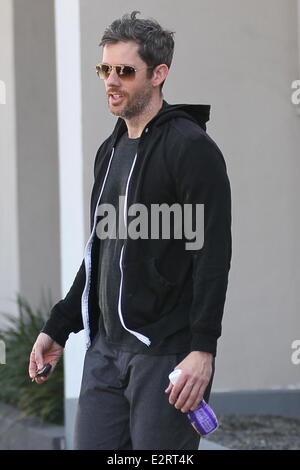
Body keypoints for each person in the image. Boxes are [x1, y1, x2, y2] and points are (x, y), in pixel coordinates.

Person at [28, 11, 232, 450]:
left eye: (125, 70)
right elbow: (100, 248)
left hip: (165, 358)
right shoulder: (111, 149)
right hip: (105, 354)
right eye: (105, 69)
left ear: (159, 74)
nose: (111, 81)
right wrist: (60, 325)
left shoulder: (190, 148)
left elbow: (212, 255)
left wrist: (202, 349)